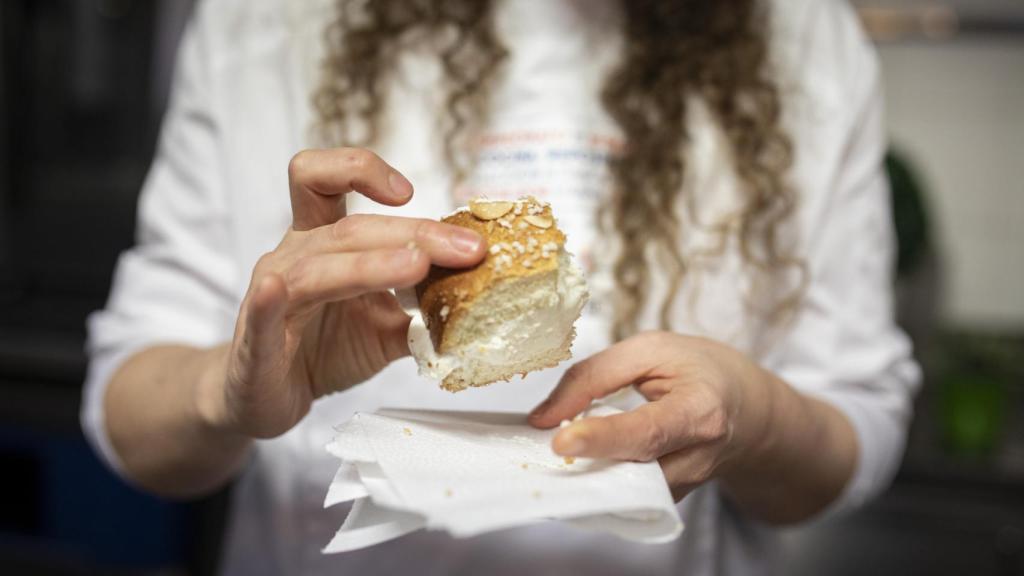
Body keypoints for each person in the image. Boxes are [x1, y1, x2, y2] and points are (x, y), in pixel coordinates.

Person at [81, 0, 920, 574]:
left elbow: (856, 419)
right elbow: (130, 415)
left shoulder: (801, 36)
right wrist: (233, 392)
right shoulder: (264, 21)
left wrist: (755, 414)